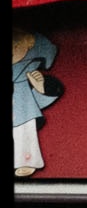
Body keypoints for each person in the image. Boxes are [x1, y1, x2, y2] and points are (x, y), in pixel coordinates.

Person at [13, 27, 62, 177]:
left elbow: (38, 101)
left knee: (24, 134)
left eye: (16, 46)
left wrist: (41, 88)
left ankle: (26, 161)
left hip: (23, 112)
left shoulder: (27, 72)